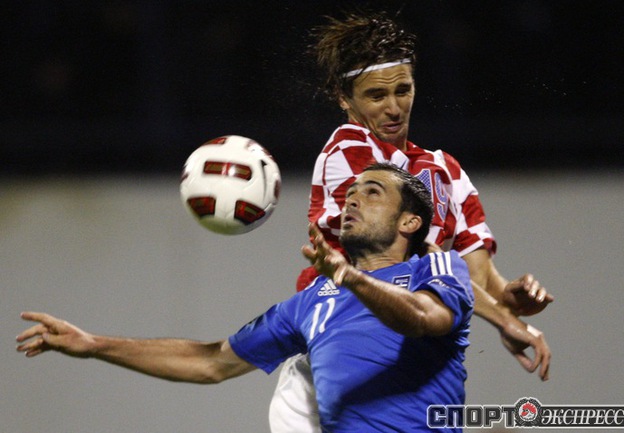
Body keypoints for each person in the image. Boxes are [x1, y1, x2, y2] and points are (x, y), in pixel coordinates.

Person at [18, 163, 474, 432]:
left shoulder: (435, 268)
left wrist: (351, 278)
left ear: (410, 222)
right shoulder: (313, 301)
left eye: (371, 193)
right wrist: (94, 344)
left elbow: (425, 319)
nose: (351, 201)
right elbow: (212, 362)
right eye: (349, 193)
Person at [269, 11, 554, 432]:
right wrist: (503, 319)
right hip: (340, 356)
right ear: (344, 98)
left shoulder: (447, 171)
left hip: (410, 364)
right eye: (376, 95)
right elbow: (412, 262)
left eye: (403, 90)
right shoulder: (347, 152)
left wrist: (511, 297)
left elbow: (474, 277)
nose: (393, 107)